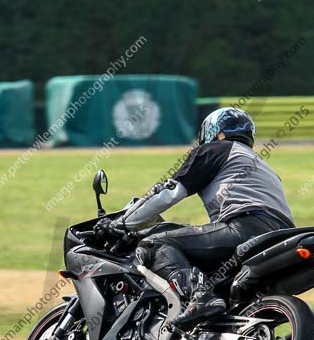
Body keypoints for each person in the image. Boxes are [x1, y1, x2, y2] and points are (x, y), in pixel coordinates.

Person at [111, 107, 294, 327]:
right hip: (281, 236)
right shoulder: (261, 164)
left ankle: (201, 298)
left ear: (213, 132)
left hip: (247, 227)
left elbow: (169, 192)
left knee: (156, 242)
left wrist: (122, 222)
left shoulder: (216, 150)